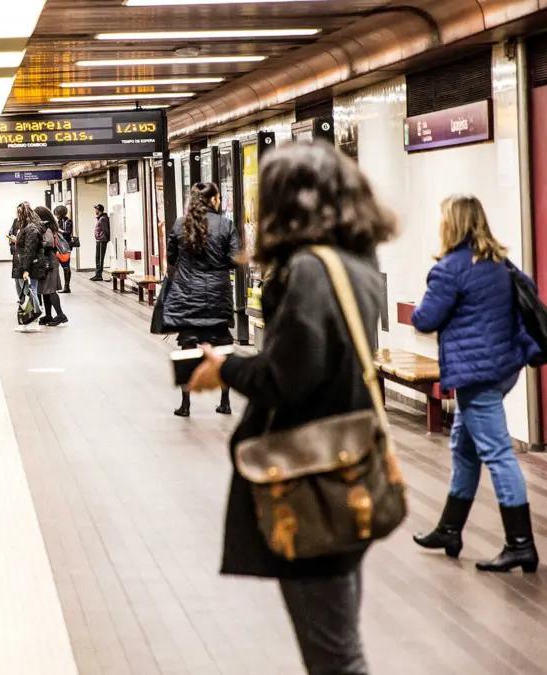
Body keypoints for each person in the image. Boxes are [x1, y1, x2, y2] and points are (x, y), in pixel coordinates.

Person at [187, 142, 397, 675]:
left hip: (310, 479)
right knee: (339, 640)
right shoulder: (360, 263)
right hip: (346, 463)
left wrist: (227, 367)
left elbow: (288, 377)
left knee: (333, 654)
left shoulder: (310, 271)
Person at [411, 195, 540, 574]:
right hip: (503, 370)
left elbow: (424, 319)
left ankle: (521, 545)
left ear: (451, 224)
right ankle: (450, 530)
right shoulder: (498, 261)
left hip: (475, 376)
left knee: (499, 455)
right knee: (464, 448)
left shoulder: (450, 268)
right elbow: (526, 290)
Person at [161, 182, 241, 417]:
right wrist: (218, 267)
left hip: (187, 295)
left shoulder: (179, 224)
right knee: (223, 347)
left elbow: (171, 258)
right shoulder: (226, 225)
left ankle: (185, 405)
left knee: (187, 348)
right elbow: (235, 259)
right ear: (214, 199)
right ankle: (225, 402)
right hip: (218, 294)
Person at [34, 206, 68, 326]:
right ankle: (48, 315)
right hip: (47, 260)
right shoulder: (47, 227)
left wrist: (36, 243)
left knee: (50, 290)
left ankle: (60, 315)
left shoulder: (47, 228)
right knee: (45, 290)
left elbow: (48, 243)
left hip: (50, 261)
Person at [15, 205, 46, 333]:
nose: (17, 216)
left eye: (19, 213)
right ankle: (28, 319)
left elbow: (30, 250)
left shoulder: (31, 229)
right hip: (23, 264)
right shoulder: (27, 228)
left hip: (29, 266)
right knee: (25, 293)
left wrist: (26, 269)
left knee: (30, 292)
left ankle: (34, 319)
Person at [54, 205, 74, 293]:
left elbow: (68, 233)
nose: (56, 216)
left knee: (66, 266)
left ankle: (67, 286)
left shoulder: (68, 222)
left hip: (65, 246)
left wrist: (58, 230)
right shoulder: (58, 222)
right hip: (58, 246)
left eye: (57, 214)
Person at [9, 203, 27, 298]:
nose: (18, 213)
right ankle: (21, 299)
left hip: (25, 254)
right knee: (17, 277)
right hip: (17, 253)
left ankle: (27, 300)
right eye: (17, 211)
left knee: (23, 278)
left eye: (20, 211)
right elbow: (11, 232)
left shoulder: (29, 224)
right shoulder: (16, 221)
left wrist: (18, 240)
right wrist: (12, 245)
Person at [89, 204, 110, 281]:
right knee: (97, 257)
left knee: (100, 258)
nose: (95, 211)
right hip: (99, 240)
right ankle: (97, 274)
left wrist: (105, 238)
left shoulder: (103, 219)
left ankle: (99, 275)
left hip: (102, 240)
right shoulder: (100, 218)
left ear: (99, 210)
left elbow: (106, 230)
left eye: (96, 210)